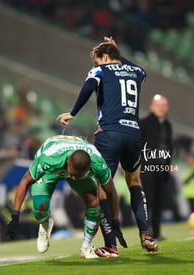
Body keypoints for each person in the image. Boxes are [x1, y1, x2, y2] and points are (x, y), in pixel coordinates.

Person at [57, 36, 158, 256]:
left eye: (97, 60)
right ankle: (146, 235)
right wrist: (118, 54)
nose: (95, 65)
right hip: (133, 132)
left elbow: (87, 88)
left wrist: (73, 113)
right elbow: (141, 71)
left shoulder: (100, 71)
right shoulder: (135, 72)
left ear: (104, 57)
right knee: (134, 181)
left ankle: (110, 245)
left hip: (108, 133)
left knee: (103, 186)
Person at [4, 135, 121, 259]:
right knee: (40, 207)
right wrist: (15, 215)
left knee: (93, 201)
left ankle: (86, 246)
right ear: (69, 160)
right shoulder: (48, 159)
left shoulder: (98, 163)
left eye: (79, 175)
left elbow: (111, 192)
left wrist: (115, 220)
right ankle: (45, 223)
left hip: (72, 162)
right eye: (73, 174)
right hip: (51, 171)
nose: (74, 178)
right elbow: (25, 181)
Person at [139, 94, 173, 241]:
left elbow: (169, 146)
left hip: (162, 169)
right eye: (158, 105)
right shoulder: (144, 123)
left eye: (163, 105)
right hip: (148, 168)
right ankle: (146, 233)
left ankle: (157, 232)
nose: (161, 108)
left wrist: (168, 163)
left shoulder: (168, 125)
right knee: (149, 201)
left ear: (167, 108)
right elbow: (138, 145)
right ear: (152, 107)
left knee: (159, 201)